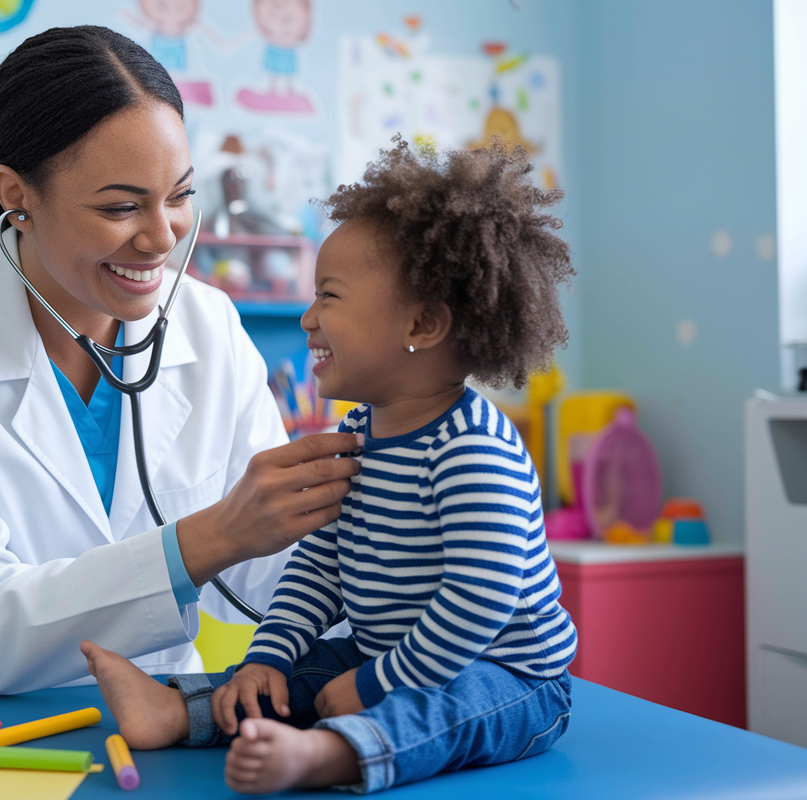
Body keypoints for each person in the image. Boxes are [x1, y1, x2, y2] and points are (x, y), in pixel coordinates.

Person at [0, 25, 362, 696]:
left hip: (156, 720)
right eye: (122, 206)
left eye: (179, 196)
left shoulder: (208, 326)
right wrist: (203, 540)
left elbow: (268, 575)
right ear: (15, 194)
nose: (161, 236)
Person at [82, 138, 580, 794]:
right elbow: (321, 565)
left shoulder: (472, 450)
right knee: (304, 673)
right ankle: (179, 711)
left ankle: (337, 757)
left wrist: (377, 683)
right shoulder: (353, 436)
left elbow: (477, 600)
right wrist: (270, 656)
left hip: (507, 673)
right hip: (389, 655)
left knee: (451, 709)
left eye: (330, 297)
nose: (307, 317)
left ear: (424, 323)